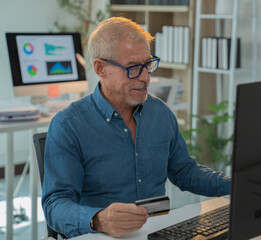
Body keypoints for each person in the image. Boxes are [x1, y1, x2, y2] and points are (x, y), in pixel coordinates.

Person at [42, 16, 231, 239]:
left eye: (148, 64)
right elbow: (55, 205)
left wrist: (236, 184)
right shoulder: (68, 125)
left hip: (157, 231)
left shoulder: (160, 113)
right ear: (100, 68)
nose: (146, 77)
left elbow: (184, 171)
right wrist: (98, 219)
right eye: (133, 68)